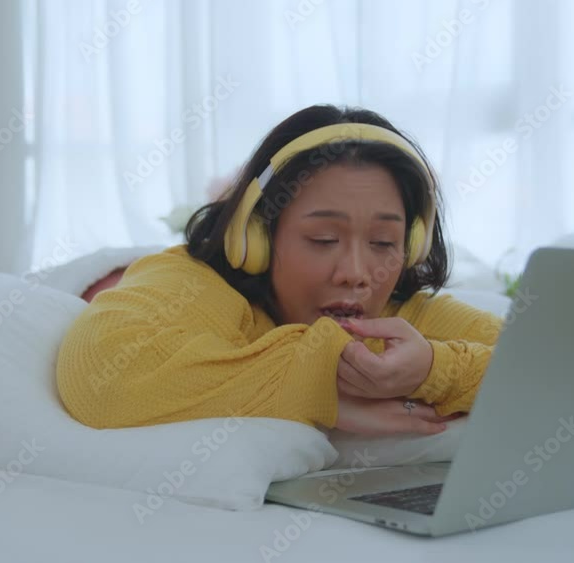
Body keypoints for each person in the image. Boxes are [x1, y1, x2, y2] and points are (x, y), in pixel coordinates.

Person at [55, 104, 503, 436]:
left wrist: (433, 370)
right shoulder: (195, 283)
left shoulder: (401, 314)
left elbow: (538, 367)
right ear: (257, 237)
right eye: (323, 239)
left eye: (383, 243)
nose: (356, 273)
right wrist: (318, 389)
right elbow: (104, 376)